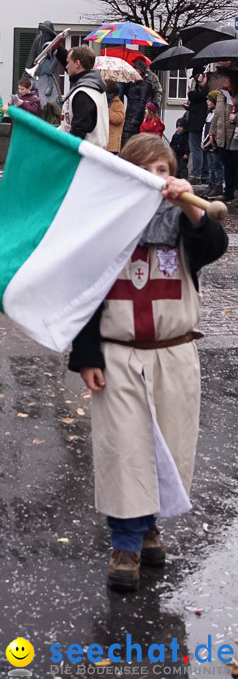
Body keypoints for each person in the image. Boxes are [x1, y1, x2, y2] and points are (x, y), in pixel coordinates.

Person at [68, 133, 228, 592]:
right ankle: (124, 544)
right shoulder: (104, 227)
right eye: (147, 170)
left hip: (172, 353)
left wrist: (190, 206)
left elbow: (213, 245)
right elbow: (86, 293)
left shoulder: (184, 221)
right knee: (125, 451)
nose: (156, 179)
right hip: (117, 355)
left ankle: (148, 527)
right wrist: (86, 356)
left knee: (167, 453)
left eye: (164, 170)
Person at [62, 45, 109, 147]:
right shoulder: (95, 86)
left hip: (83, 156)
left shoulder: (84, 92)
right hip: (94, 153)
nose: (66, 67)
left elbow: (78, 132)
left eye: (68, 62)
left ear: (77, 63)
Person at [209, 71, 238, 203]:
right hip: (221, 135)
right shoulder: (221, 94)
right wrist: (212, 132)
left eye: (226, 79)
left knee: (235, 164)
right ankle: (229, 192)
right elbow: (217, 115)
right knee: (227, 164)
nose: (223, 81)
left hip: (234, 135)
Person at [24, 20, 64, 114]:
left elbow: (59, 56)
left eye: (47, 33)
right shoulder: (38, 39)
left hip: (50, 69)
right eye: (43, 33)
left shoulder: (56, 40)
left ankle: (50, 85)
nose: (44, 35)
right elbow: (32, 55)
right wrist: (26, 71)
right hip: (39, 68)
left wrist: (52, 68)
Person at [186, 70, 209, 183]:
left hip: (197, 123)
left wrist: (190, 94)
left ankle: (197, 174)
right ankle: (204, 174)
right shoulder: (204, 88)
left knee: (196, 149)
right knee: (202, 149)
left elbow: (196, 97)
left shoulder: (204, 88)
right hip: (199, 121)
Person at [121, 67, 152, 146]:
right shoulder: (133, 83)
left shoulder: (145, 84)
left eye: (136, 70)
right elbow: (128, 94)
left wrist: (135, 118)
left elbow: (142, 102)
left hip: (134, 116)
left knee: (128, 139)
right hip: (129, 114)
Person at [202, 90, 224, 198]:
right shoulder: (209, 114)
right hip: (208, 145)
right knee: (211, 166)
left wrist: (205, 143)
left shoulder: (215, 114)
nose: (207, 102)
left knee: (216, 166)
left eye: (209, 100)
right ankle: (212, 184)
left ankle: (218, 185)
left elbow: (211, 131)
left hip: (213, 145)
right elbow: (205, 130)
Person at [104, 78, 125, 154]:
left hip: (112, 144)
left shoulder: (118, 104)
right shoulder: (103, 102)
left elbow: (119, 119)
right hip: (102, 141)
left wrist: (107, 111)